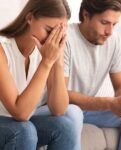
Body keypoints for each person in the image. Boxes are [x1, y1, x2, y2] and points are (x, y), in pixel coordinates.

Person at [64, 0, 121, 150]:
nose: (110, 31)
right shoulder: (66, 38)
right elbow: (61, 94)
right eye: (105, 22)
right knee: (74, 113)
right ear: (86, 15)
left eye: (114, 24)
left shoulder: (114, 40)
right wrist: (109, 103)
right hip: (65, 109)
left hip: (90, 111)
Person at [0, 0, 83, 150]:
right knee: (25, 131)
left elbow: (58, 109)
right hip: (8, 125)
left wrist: (57, 60)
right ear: (30, 18)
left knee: (66, 127)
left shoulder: (45, 51)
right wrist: (46, 63)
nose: (53, 40)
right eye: (50, 30)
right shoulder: (2, 49)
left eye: (58, 34)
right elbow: (21, 113)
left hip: (19, 125)